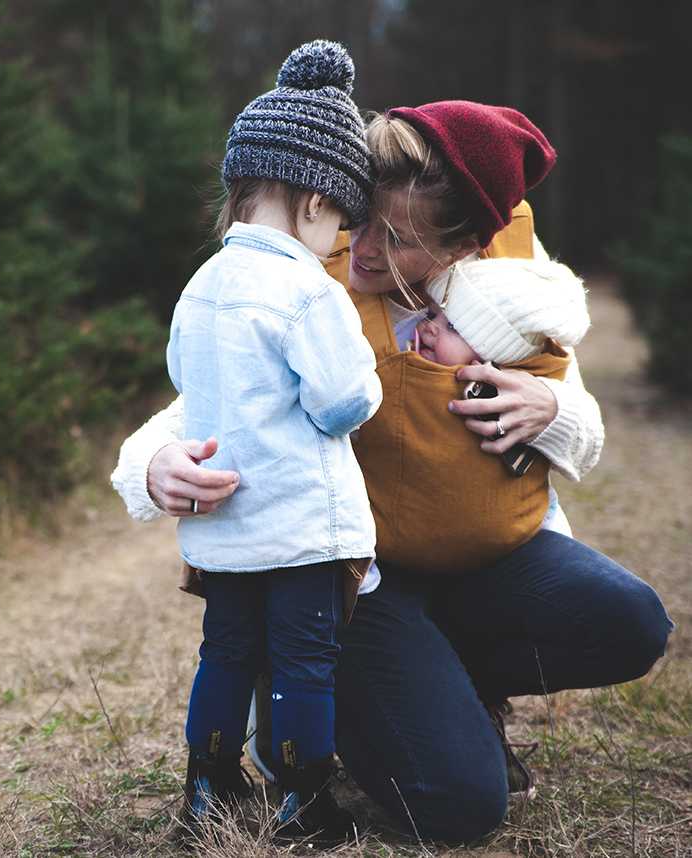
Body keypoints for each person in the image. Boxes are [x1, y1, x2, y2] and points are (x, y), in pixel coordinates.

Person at [111, 99, 674, 843]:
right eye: (361, 220)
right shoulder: (312, 281)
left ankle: (449, 683)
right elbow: (206, 400)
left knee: (632, 622)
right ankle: (334, 686)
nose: (364, 248)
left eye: (398, 239)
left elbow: (584, 427)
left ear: (466, 246)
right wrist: (151, 465)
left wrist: (551, 408)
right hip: (358, 582)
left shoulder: (510, 293)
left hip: (485, 563)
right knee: (460, 806)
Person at [169, 40, 380, 846]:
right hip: (300, 528)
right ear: (317, 201)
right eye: (342, 223)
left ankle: (207, 786)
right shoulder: (306, 289)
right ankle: (303, 801)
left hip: (224, 530)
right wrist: (365, 373)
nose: (339, 242)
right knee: (301, 667)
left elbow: (186, 379)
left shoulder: (201, 285)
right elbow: (340, 404)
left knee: (222, 653)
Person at [374, 255, 591, 574]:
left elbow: (585, 444)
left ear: (493, 355)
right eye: (431, 314)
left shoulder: (516, 381)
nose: (428, 328)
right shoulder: (400, 352)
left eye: (451, 326)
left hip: (514, 539)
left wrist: (556, 410)